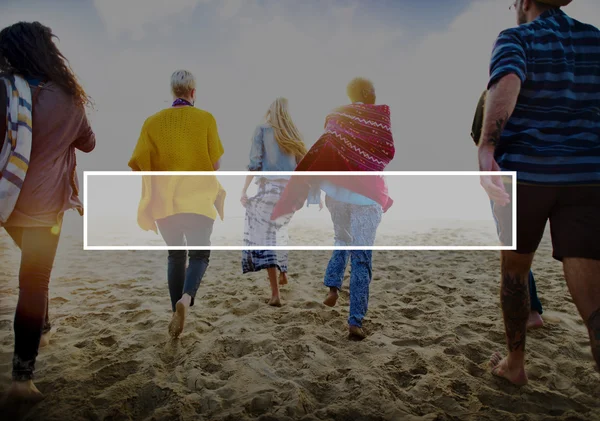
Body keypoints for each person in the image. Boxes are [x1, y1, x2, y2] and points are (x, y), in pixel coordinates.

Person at [478, 0, 600, 385]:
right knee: (594, 296)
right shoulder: (594, 40)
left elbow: (507, 85)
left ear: (524, 2)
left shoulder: (517, 38)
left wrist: (486, 147)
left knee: (515, 272)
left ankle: (515, 366)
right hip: (586, 175)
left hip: (527, 174)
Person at [0, 21, 95, 402]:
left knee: (34, 275)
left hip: (8, 202)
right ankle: (22, 379)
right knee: (35, 281)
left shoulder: (6, 92)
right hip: (45, 207)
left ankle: (43, 323)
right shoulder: (70, 97)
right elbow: (88, 143)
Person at [272, 77, 395, 340]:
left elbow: (324, 150)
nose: (375, 93)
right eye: (372, 88)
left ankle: (332, 289)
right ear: (364, 92)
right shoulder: (379, 117)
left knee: (341, 241)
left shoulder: (336, 116)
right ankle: (355, 320)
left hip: (338, 196)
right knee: (362, 257)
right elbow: (386, 151)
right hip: (367, 197)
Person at [128, 70, 225, 339]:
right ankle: (186, 300)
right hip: (198, 200)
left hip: (165, 204)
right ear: (193, 93)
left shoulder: (152, 122)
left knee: (175, 255)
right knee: (199, 256)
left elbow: (138, 163)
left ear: (173, 91)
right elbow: (215, 163)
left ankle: (174, 311)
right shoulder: (206, 118)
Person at [471, 90, 544, 329]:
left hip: (506, 177)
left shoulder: (490, 95)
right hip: (539, 175)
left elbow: (478, 135)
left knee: (513, 247)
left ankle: (531, 312)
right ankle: (532, 310)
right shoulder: (536, 91)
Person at [241, 98, 311, 307]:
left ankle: (275, 295)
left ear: (270, 110)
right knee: (279, 231)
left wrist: (244, 191)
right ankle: (284, 272)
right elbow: (304, 166)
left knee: (266, 238)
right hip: (291, 194)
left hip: (270, 191)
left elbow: (254, 165)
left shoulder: (262, 130)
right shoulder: (294, 133)